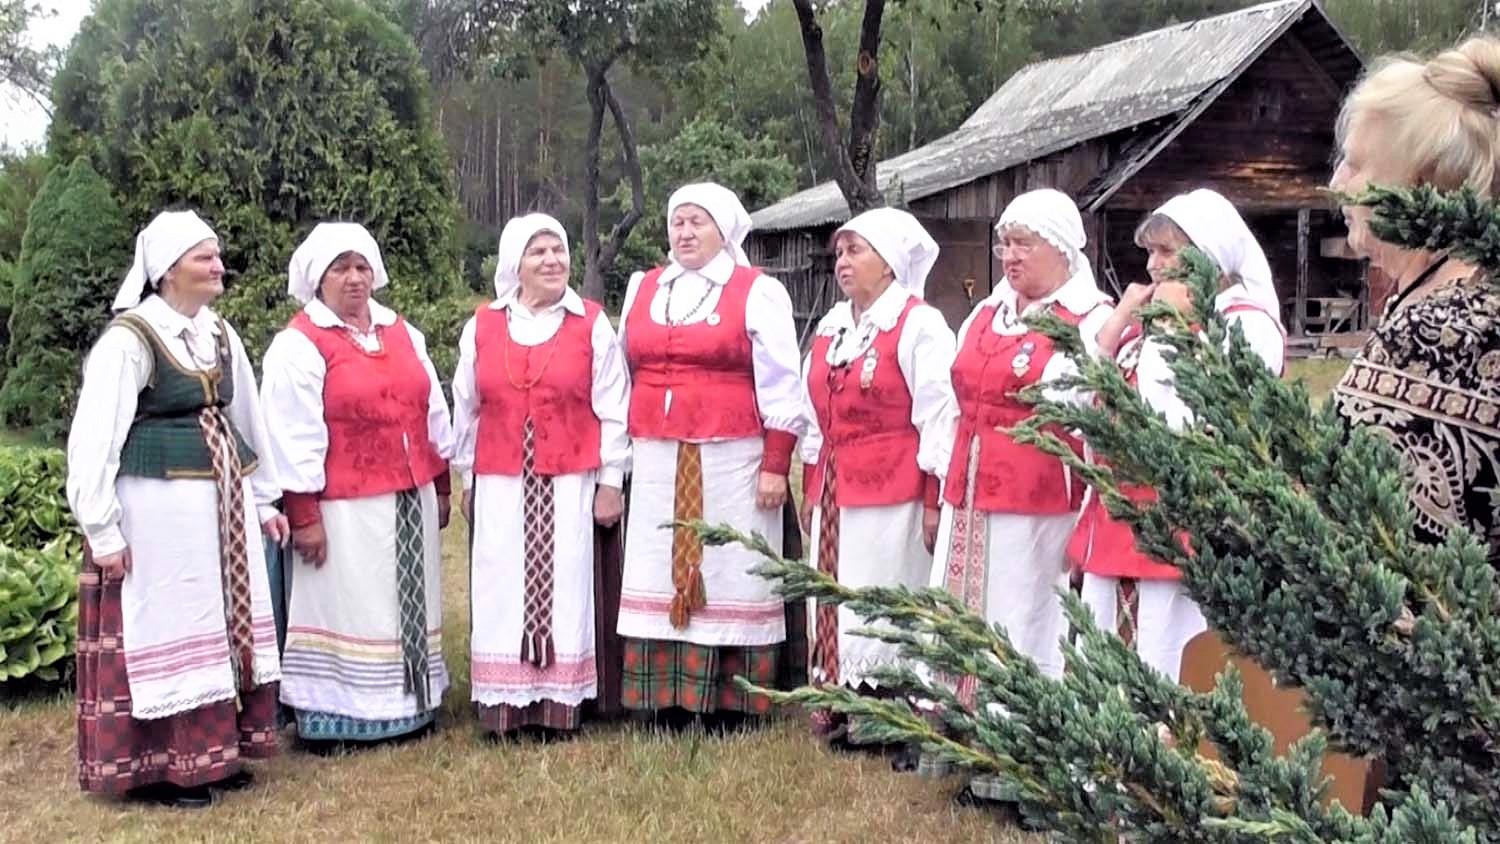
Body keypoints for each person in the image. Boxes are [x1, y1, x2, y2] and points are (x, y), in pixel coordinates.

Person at [67, 210, 286, 807]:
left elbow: (249, 421)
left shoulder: (218, 332)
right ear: (166, 271)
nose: (218, 266)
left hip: (224, 512)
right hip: (156, 512)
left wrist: (264, 497)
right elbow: (94, 438)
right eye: (204, 257)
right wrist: (102, 529)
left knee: (218, 622)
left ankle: (216, 756)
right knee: (166, 620)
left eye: (216, 255)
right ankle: (160, 766)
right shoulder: (130, 340)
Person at [923, 189, 1114, 801]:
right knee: (967, 613)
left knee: (1025, 618)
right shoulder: (985, 314)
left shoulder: (1090, 321)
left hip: (1037, 502)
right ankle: (967, 740)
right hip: (972, 493)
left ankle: (1023, 763)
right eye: (1004, 243)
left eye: (1023, 243)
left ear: (1060, 247)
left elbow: (1090, 416)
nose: (1009, 255)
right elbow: (953, 401)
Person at [1069, 188, 1285, 681]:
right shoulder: (1141, 323)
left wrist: (1170, 326)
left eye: (1167, 252)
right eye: (1149, 252)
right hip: (1120, 518)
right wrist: (1118, 323)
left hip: (1186, 525)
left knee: (1172, 654)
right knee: (1109, 653)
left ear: (1209, 257)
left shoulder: (1246, 324)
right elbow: (1080, 405)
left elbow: (1175, 419)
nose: (1152, 265)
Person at [615, 183, 805, 729]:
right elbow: (624, 370)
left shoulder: (755, 291)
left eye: (698, 222)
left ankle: (733, 702)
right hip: (656, 454)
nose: (686, 232)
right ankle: (665, 699)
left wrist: (776, 463)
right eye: (678, 222)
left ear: (725, 231)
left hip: (732, 457)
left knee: (732, 569)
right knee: (656, 567)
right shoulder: (645, 288)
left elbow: (782, 383)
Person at [260, 222, 455, 745]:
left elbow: (431, 411)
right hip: (343, 507)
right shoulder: (299, 345)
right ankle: (341, 716)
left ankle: (412, 705)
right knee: (353, 606)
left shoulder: (401, 332)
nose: (353, 278)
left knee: (402, 603)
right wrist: (304, 516)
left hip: (408, 499)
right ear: (317, 278)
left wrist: (440, 485)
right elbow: (290, 435)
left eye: (361, 266)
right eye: (339, 268)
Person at [451, 213, 630, 738]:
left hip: (570, 480)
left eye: (559, 249)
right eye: (539, 252)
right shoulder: (482, 325)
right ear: (516, 264)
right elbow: (467, 407)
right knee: (501, 582)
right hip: (503, 479)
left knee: (568, 585)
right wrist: (466, 478)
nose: (553, 261)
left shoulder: (591, 322)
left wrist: (611, 481)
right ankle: (505, 708)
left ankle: (559, 706)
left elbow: (614, 406)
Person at [1329, 37, 1500, 558]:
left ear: (1423, 184)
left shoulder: (1441, 334)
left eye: (1356, 165)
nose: (1336, 184)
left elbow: (1374, 545)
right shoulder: (1453, 296)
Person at [798, 208, 956, 747]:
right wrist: (810, 483)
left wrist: (935, 498)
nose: (843, 262)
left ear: (889, 264)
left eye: (856, 251)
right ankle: (838, 704)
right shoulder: (832, 326)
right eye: (840, 252)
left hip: (894, 490)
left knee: (880, 597)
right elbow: (812, 410)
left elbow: (940, 415)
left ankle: (888, 716)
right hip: (835, 489)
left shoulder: (918, 324)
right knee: (835, 596)